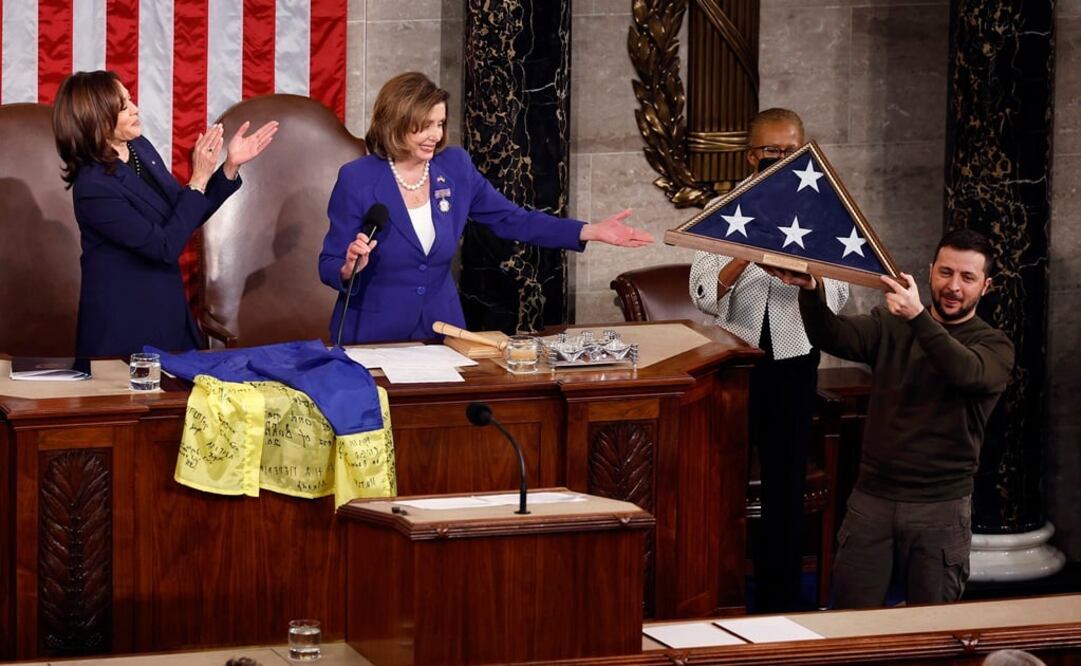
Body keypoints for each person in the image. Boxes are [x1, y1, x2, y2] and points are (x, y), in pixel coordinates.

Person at [766, 228, 1014, 608]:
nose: (953, 287)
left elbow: (964, 371)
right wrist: (811, 290)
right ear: (930, 271)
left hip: (941, 508)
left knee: (931, 633)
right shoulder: (892, 324)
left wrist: (918, 317)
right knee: (851, 624)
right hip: (873, 499)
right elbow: (833, 335)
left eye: (968, 277)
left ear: (986, 286)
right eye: (946, 272)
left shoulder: (993, 345)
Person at [319, 72, 653, 344]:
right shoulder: (358, 179)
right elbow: (329, 264)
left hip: (441, 331)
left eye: (439, 123)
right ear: (395, 122)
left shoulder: (455, 167)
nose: (434, 135)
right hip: (374, 336)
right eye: (423, 125)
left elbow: (512, 220)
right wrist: (349, 268)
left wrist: (588, 231)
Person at [688, 108, 849, 612]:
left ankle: (780, 602)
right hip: (733, 369)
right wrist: (747, 253)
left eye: (793, 151)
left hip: (794, 363)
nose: (783, 160)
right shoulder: (725, 208)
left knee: (785, 486)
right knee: (723, 484)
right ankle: (722, 593)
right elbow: (700, 292)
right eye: (773, 152)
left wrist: (813, 281)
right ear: (752, 155)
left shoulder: (825, 209)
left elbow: (842, 294)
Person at [53, 70, 278, 357]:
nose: (135, 109)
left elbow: (183, 216)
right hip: (125, 329)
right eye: (123, 106)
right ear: (95, 118)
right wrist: (198, 178)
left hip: (170, 316)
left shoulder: (139, 148)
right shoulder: (93, 187)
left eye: (130, 99)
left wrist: (229, 167)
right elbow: (164, 247)